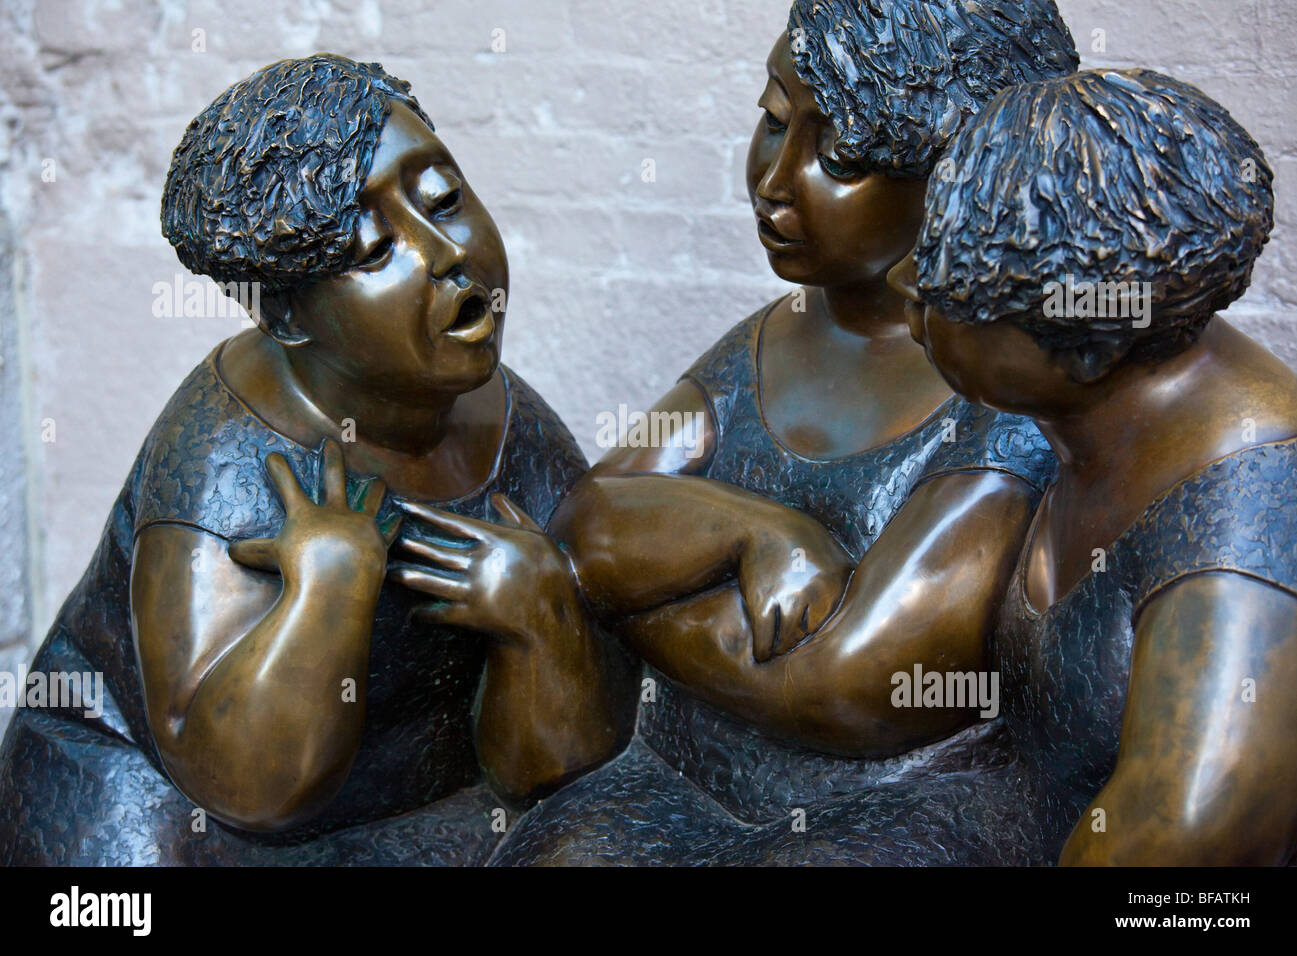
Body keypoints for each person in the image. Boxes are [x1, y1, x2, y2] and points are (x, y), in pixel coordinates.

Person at [0, 54, 632, 865]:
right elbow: (241, 783)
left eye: (443, 197)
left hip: (402, 804)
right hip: (167, 816)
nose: (444, 252)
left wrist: (543, 622)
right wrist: (326, 590)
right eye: (374, 252)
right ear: (289, 316)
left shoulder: (503, 416)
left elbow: (568, 759)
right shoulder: (224, 462)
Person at [490, 0, 1077, 865]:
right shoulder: (775, 335)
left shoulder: (1002, 388)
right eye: (773, 122)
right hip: (685, 770)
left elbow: (853, 682)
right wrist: (752, 531)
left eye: (837, 156)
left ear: (962, 175)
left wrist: (616, 589)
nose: (774, 179)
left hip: (902, 800)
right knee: (557, 850)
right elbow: (583, 517)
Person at [886, 68, 1297, 865]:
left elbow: (1186, 842)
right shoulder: (1091, 418)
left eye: (951, 291)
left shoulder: (1248, 521)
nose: (909, 291)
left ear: (1089, 346)